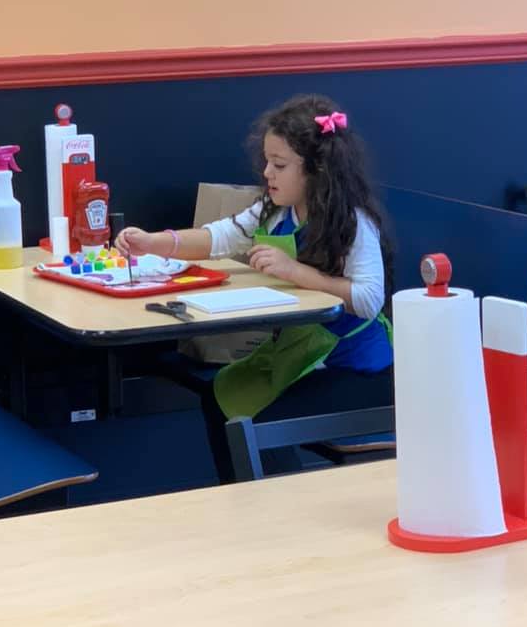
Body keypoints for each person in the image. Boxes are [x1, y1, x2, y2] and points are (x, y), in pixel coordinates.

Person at [116, 93, 393, 482]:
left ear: (317, 169)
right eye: (266, 161)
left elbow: (368, 299)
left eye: (279, 165)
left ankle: (276, 505)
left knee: (258, 424)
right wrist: (152, 242)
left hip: (355, 366)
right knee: (220, 397)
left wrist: (293, 271)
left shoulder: (353, 221)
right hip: (298, 352)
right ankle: (245, 498)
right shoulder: (276, 210)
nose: (267, 173)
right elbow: (219, 237)